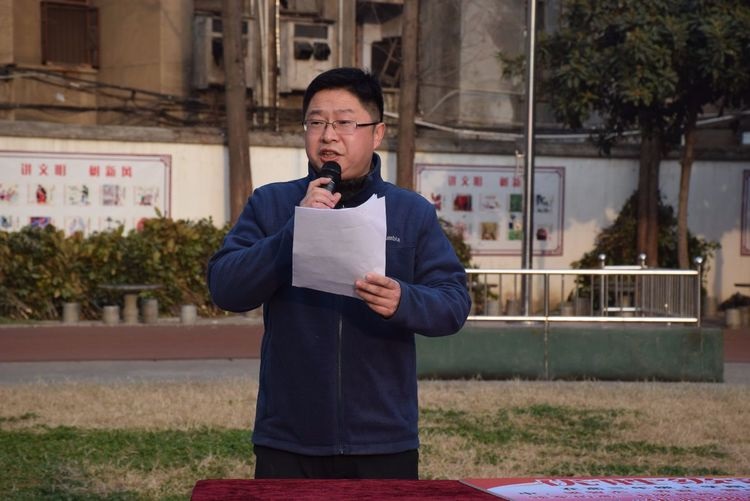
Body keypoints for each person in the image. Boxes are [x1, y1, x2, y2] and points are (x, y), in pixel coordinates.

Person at [207, 67, 471, 479]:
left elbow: (453, 303)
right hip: (288, 438)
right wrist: (293, 232)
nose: (328, 136)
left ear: (377, 133)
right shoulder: (271, 204)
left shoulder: (410, 212)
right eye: (316, 123)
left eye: (345, 123)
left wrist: (404, 300)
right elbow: (225, 287)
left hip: (384, 439)